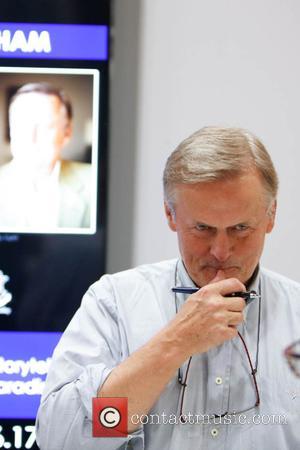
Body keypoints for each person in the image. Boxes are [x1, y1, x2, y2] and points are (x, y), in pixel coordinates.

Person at [36, 127, 300, 449]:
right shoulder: (115, 303)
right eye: (202, 228)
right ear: (170, 214)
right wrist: (175, 343)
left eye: (240, 228)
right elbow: (63, 441)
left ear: (271, 216)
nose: (220, 250)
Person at [0, 82, 91, 231]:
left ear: (67, 133)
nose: (30, 138)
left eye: (45, 127)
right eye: (21, 124)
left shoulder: (94, 182)